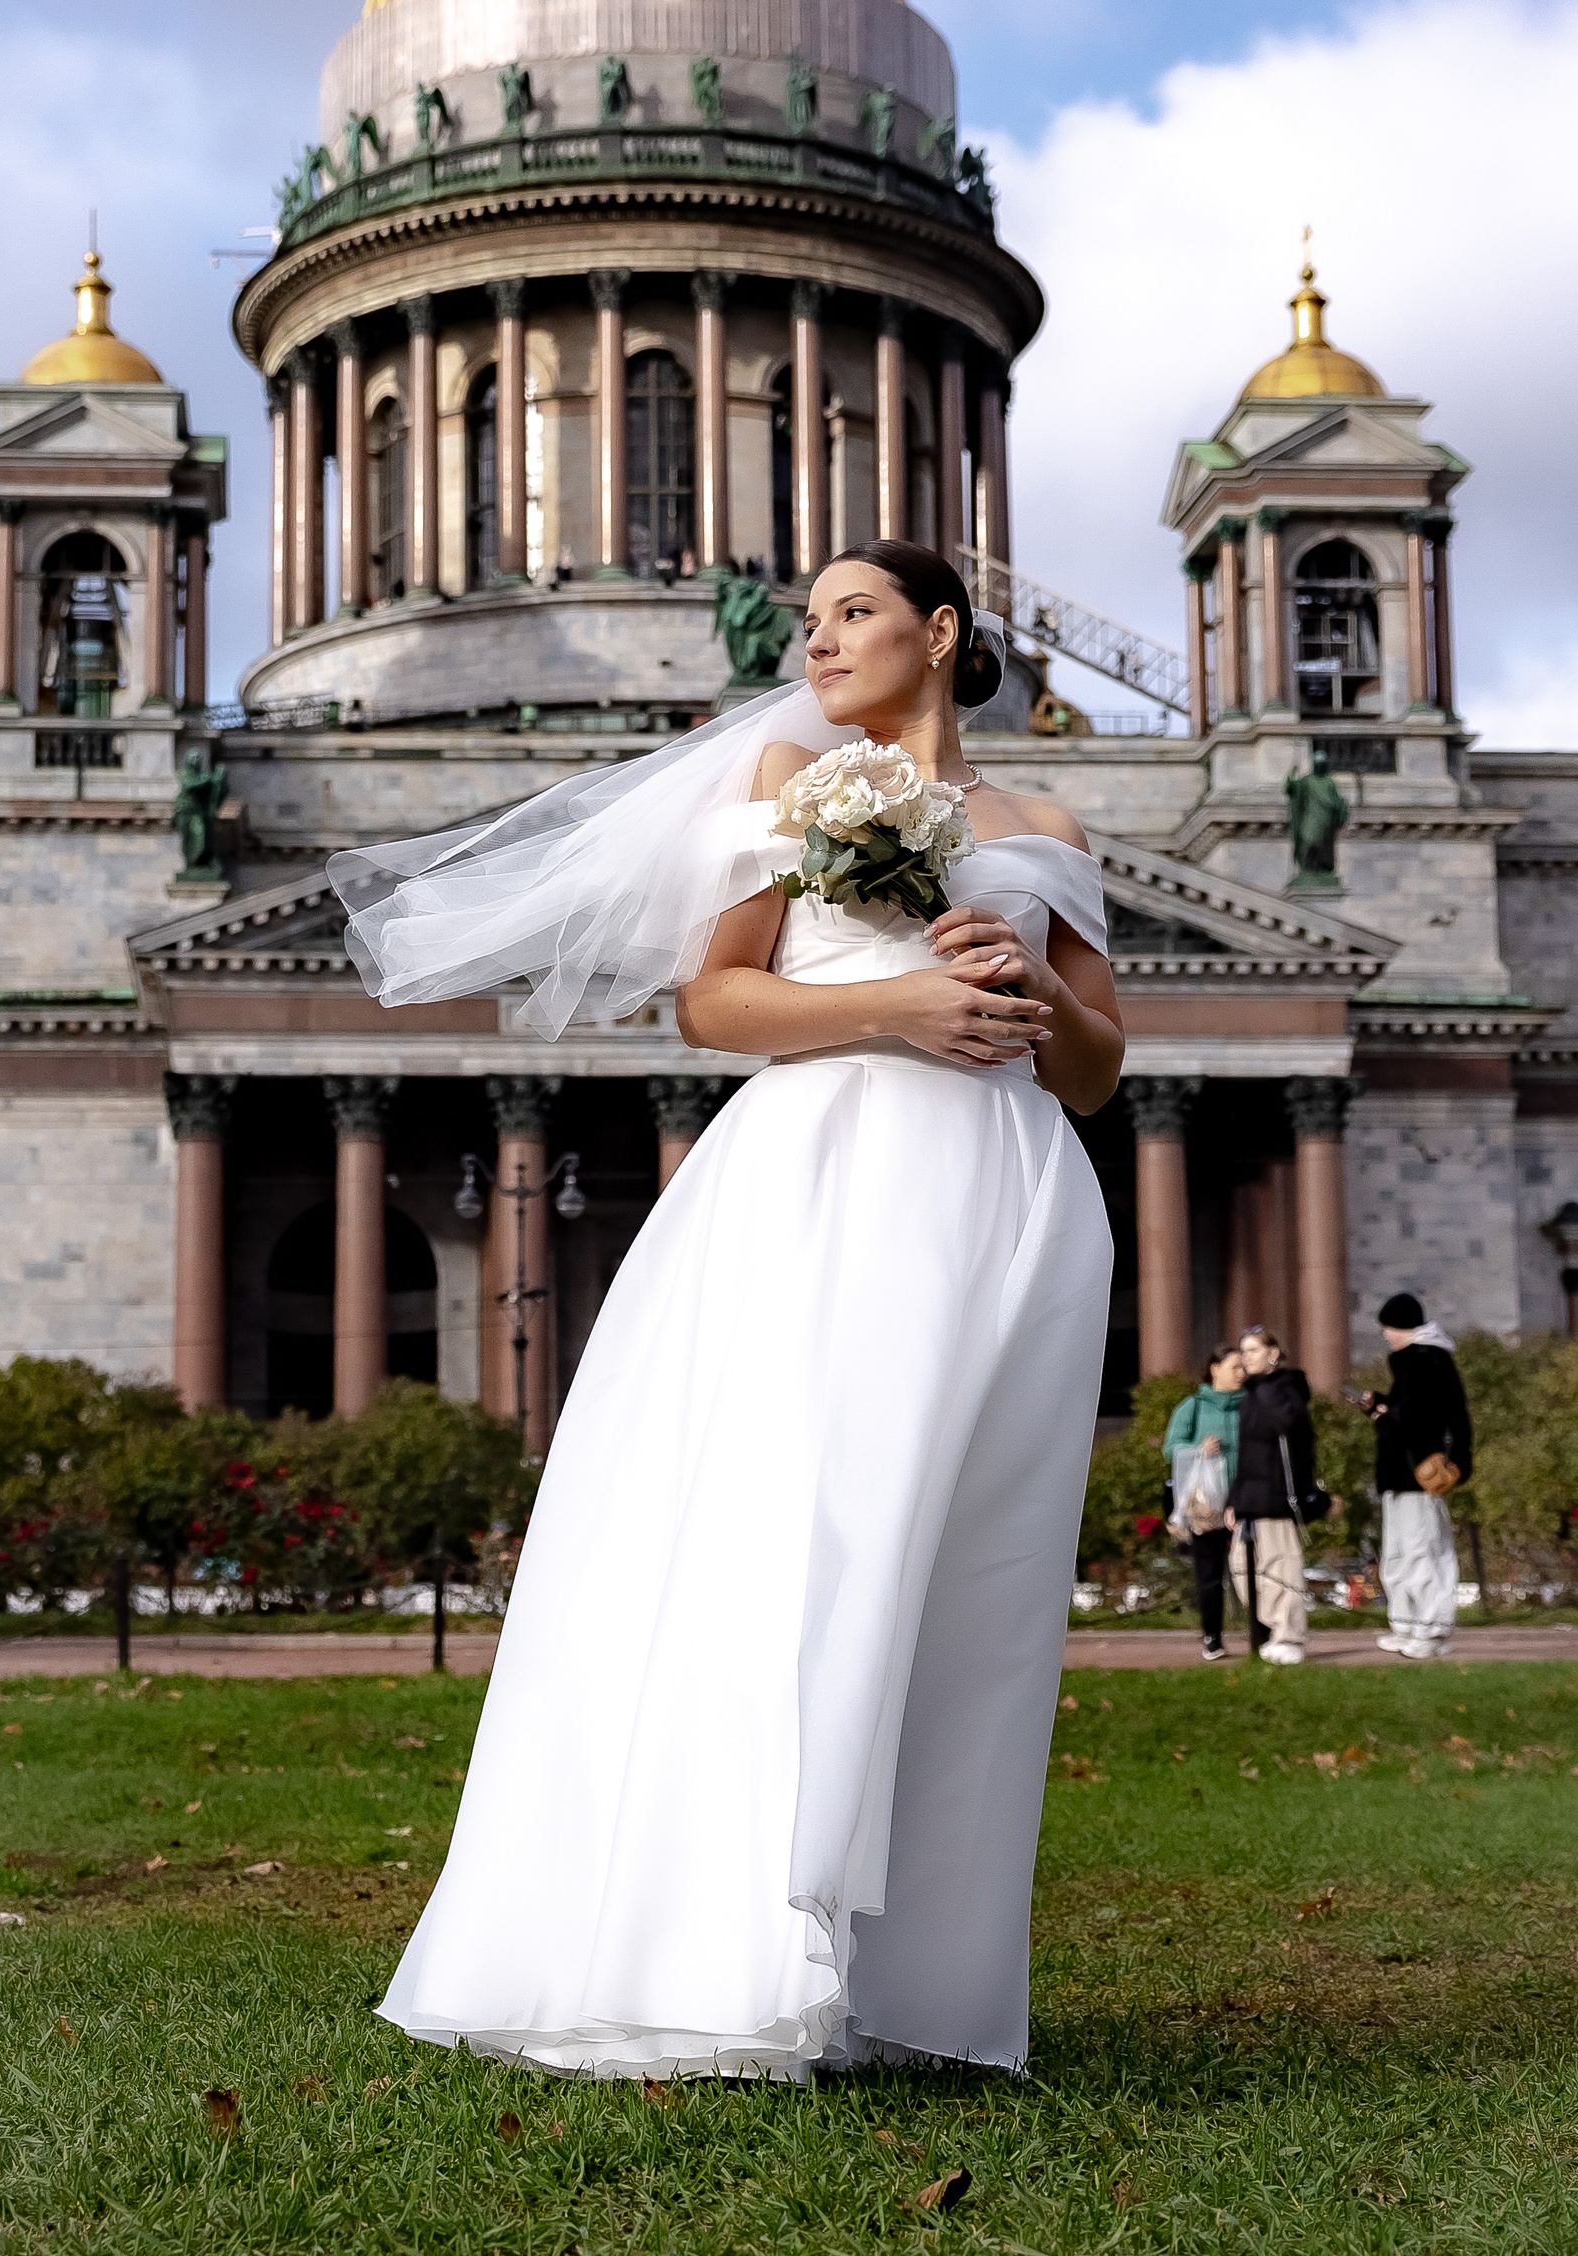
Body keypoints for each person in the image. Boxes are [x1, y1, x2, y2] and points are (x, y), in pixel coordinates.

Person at [334, 539, 1123, 2079]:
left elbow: (1097, 1065)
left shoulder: (1046, 822)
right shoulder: (787, 771)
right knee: (813, 1536)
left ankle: (918, 1991)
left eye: (854, 615)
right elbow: (716, 1003)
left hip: (1010, 1196)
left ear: (939, 631)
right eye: (813, 619)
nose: (815, 642)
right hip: (836, 1175)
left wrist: (1026, 997)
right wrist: (896, 1002)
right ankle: (747, 1956)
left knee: (972, 1571)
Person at [1353, 1292, 1472, 1659]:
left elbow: (1418, 1421)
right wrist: (1381, 1404)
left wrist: (1382, 1417)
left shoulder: (1425, 1361)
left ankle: (1431, 1630)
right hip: (1402, 1477)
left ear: (1402, 1327)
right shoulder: (1418, 1363)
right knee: (1399, 1554)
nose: (1386, 1334)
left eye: (1388, 1327)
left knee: (1423, 1552)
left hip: (1419, 1476)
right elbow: (1409, 1412)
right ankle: (1406, 1625)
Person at [1227, 1325, 1323, 1664]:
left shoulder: (1283, 1388)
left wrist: (1266, 1383)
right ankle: (1271, 1629)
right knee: (1242, 1566)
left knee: (1282, 1567)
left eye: (1252, 1350)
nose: (1244, 1357)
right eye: (1243, 1350)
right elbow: (1246, 1453)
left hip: (1279, 1494)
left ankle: (1290, 1636)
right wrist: (1234, 1500)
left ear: (1273, 1352)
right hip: (1251, 1496)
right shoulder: (1252, 1394)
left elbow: (1288, 1425)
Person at [1162, 1343, 1245, 1660]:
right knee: (1209, 1574)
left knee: (1254, 1570)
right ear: (1215, 1368)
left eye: (1243, 1367)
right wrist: (1200, 1451)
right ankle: (1213, 1637)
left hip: (1245, 1501)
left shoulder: (1250, 1406)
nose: (1242, 1373)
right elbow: (1171, 1448)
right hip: (1207, 1506)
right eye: (1235, 1366)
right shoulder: (1192, 1406)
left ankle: (1262, 1636)